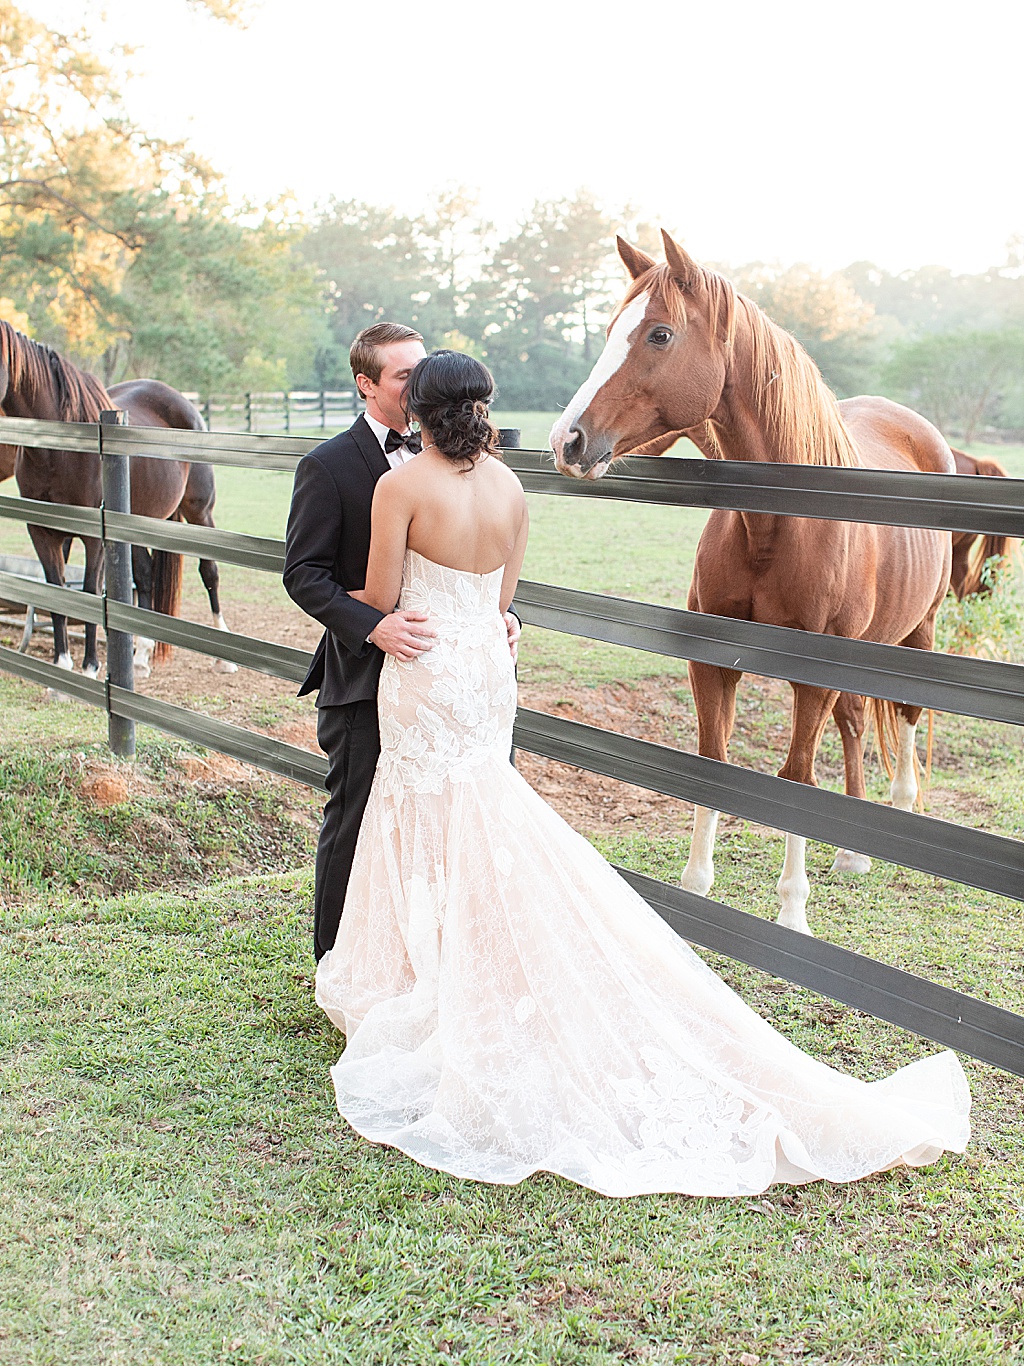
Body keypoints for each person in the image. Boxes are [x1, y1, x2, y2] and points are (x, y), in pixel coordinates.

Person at [314, 350, 970, 1199]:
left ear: (421, 411)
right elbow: (504, 596)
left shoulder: (397, 488)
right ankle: (470, 971)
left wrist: (391, 622)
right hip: (484, 665)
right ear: (483, 408)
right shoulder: (511, 490)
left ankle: (429, 979)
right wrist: (485, 619)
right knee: (488, 811)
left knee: (423, 812)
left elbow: (379, 594)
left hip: (427, 664)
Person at [283, 323, 520, 962]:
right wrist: (373, 626)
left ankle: (457, 962)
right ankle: (338, 964)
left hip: (453, 675)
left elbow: (480, 568)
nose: (416, 385)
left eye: (423, 373)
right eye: (402, 375)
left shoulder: (477, 472)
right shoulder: (329, 465)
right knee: (357, 823)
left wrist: (499, 616)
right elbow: (303, 574)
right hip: (365, 675)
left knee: (466, 824)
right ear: (368, 385)